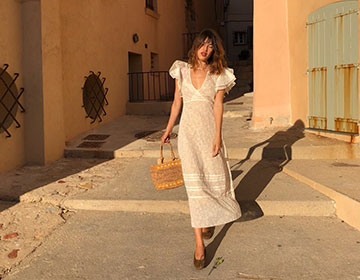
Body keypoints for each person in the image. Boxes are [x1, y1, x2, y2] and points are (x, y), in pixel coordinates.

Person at [161, 29, 241, 270]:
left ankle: (208, 221)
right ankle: (199, 244)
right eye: (203, 44)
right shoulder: (181, 70)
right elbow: (177, 102)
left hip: (208, 134)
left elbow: (218, 105)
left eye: (211, 46)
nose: (206, 49)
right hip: (188, 135)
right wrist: (167, 130)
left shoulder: (219, 74)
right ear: (195, 46)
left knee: (212, 181)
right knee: (194, 188)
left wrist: (217, 135)